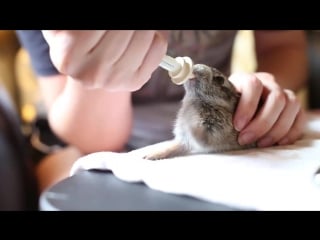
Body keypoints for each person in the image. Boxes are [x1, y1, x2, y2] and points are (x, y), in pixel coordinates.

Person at [15, 30, 308, 192]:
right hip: (88, 129)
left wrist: (262, 93)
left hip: (217, 122)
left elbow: (283, 45)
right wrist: (105, 67)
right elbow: (96, 140)